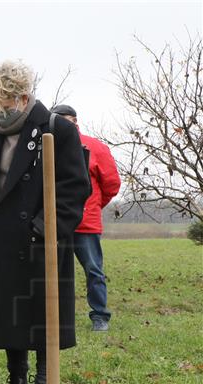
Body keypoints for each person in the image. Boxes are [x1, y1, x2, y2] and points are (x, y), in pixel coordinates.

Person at [0, 62, 90, 384]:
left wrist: (42, 229)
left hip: (39, 242)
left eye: (5, 104)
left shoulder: (56, 130)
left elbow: (75, 188)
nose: (0, 113)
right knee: (8, 313)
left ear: (22, 96)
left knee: (41, 317)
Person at [52, 104, 121, 332]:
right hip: (55, 223)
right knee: (53, 273)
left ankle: (100, 316)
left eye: (66, 121)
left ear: (76, 122)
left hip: (86, 223)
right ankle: (56, 317)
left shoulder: (95, 147)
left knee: (93, 270)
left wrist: (92, 206)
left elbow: (111, 184)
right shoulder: (46, 148)